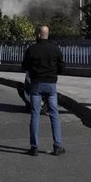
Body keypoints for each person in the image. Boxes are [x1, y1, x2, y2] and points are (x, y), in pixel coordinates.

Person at [21, 25, 66, 156]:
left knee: (35, 114)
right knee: (54, 114)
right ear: (47, 34)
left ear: (39, 35)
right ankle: (57, 146)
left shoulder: (31, 49)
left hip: (36, 85)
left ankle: (34, 147)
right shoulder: (55, 49)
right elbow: (62, 67)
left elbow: (24, 66)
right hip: (51, 85)